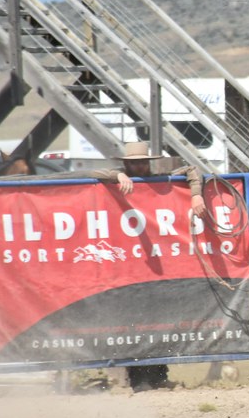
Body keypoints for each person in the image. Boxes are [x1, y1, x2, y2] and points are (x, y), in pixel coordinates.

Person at [89, 141, 208, 391]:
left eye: (143, 162)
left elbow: (191, 170)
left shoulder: (161, 181)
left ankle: (158, 375)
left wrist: (196, 193)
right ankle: (139, 380)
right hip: (130, 268)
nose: (140, 166)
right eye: (134, 163)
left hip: (159, 264)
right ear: (126, 164)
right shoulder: (117, 181)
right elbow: (88, 174)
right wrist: (116, 175)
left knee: (159, 320)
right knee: (135, 322)